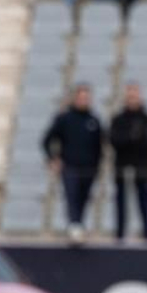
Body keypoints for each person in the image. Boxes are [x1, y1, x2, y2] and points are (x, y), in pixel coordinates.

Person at [42, 84, 105, 244]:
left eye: (86, 98)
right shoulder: (65, 118)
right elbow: (47, 139)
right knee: (72, 197)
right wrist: (52, 158)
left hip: (89, 168)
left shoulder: (94, 120)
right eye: (81, 97)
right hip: (70, 167)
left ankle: (79, 226)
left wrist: (98, 164)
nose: (84, 101)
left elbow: (100, 145)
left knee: (84, 199)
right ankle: (74, 228)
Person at [107, 83, 147, 242]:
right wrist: (132, 137)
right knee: (121, 206)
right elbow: (115, 141)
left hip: (144, 170)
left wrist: (129, 139)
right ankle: (120, 237)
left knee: (145, 206)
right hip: (122, 169)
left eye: (135, 96)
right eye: (130, 96)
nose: (132, 99)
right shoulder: (118, 119)